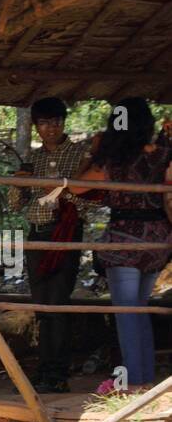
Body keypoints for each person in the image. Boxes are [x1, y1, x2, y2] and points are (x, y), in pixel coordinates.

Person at [72, 97, 172, 394]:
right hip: (158, 241)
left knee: (126, 313)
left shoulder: (110, 161)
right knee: (138, 310)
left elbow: (75, 186)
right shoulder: (163, 154)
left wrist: (95, 150)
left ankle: (135, 383)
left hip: (124, 241)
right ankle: (145, 381)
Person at [8, 97, 94, 393]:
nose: (51, 128)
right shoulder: (33, 159)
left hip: (65, 232)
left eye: (56, 121)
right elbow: (16, 204)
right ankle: (45, 370)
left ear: (64, 123)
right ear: (36, 126)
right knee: (42, 305)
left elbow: (89, 198)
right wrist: (18, 183)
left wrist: (60, 189)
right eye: (44, 123)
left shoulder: (81, 155)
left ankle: (57, 374)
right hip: (37, 234)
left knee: (57, 302)